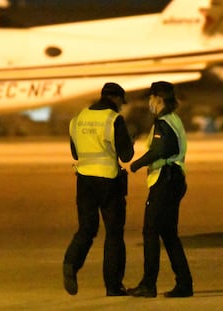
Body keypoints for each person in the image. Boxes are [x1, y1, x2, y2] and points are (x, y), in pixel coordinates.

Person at [62, 82, 134, 297]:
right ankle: (113, 286)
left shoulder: (79, 118)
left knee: (87, 229)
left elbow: (76, 153)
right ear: (116, 98)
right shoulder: (113, 119)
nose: (121, 106)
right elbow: (126, 156)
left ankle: (71, 263)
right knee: (113, 233)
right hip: (109, 182)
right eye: (121, 102)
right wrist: (130, 141)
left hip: (84, 181)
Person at [128, 81, 193, 298]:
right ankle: (184, 283)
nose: (149, 102)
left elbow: (164, 148)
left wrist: (138, 164)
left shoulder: (163, 122)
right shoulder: (174, 120)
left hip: (165, 181)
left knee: (151, 232)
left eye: (150, 98)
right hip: (174, 179)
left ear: (158, 99)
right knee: (169, 233)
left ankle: (148, 284)